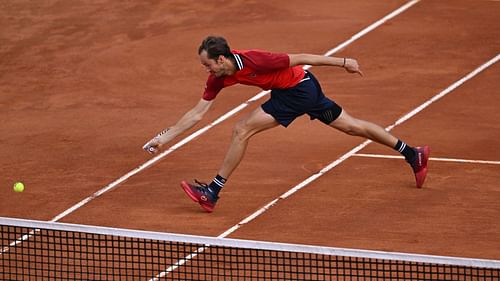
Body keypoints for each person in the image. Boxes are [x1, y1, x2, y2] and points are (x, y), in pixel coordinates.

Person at [143, 36, 430, 213]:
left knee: (242, 129)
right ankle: (411, 154)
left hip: (300, 90)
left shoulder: (256, 59)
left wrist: (344, 62)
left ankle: (212, 192)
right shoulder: (218, 78)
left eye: (208, 65)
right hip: (293, 92)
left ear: (221, 58)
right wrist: (163, 138)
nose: (206, 70)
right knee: (351, 126)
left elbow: (303, 58)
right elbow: (196, 113)